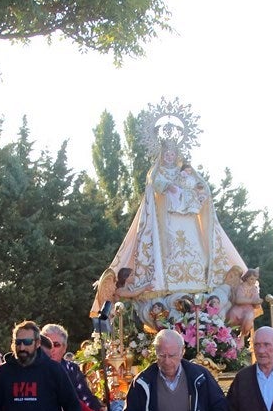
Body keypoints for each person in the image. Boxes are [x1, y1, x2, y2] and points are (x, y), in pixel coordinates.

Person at [100, 139, 248, 328]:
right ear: (162, 156)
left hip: (187, 218)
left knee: (194, 248)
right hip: (166, 219)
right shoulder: (156, 172)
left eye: (172, 154)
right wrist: (168, 187)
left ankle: (197, 280)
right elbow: (155, 183)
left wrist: (196, 192)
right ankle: (169, 279)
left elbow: (200, 186)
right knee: (169, 249)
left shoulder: (185, 171)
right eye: (167, 154)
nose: (170, 157)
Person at [226, 267, 263, 338]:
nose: (253, 281)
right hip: (239, 308)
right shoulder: (241, 287)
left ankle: (242, 336)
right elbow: (238, 300)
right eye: (252, 279)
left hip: (249, 309)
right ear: (246, 278)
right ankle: (228, 334)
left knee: (249, 317)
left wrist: (258, 302)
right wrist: (252, 301)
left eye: (255, 279)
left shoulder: (254, 289)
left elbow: (256, 303)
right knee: (232, 314)